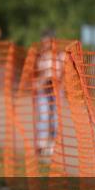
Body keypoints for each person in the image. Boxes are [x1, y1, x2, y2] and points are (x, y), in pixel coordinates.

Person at [34, 29, 62, 157]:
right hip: (42, 92)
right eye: (43, 42)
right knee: (44, 117)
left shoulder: (60, 56)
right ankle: (41, 145)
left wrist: (51, 80)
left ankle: (52, 145)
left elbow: (61, 75)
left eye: (47, 42)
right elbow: (36, 74)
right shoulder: (40, 56)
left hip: (55, 91)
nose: (45, 44)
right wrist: (39, 81)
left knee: (55, 119)